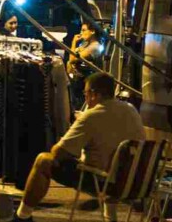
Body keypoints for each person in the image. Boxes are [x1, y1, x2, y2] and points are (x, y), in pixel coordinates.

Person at [13, 73, 145, 222]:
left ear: (94, 94)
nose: (85, 99)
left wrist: (77, 129)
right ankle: (110, 217)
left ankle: (22, 216)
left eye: (86, 94)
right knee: (109, 162)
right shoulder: (131, 110)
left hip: (104, 182)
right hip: (135, 182)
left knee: (43, 160)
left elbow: (58, 153)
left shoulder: (92, 116)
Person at [67, 22, 104, 111]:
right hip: (77, 80)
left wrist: (73, 42)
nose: (81, 33)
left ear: (92, 31)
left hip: (86, 83)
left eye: (84, 30)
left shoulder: (94, 47)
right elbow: (71, 57)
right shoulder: (85, 44)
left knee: (80, 107)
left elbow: (72, 59)